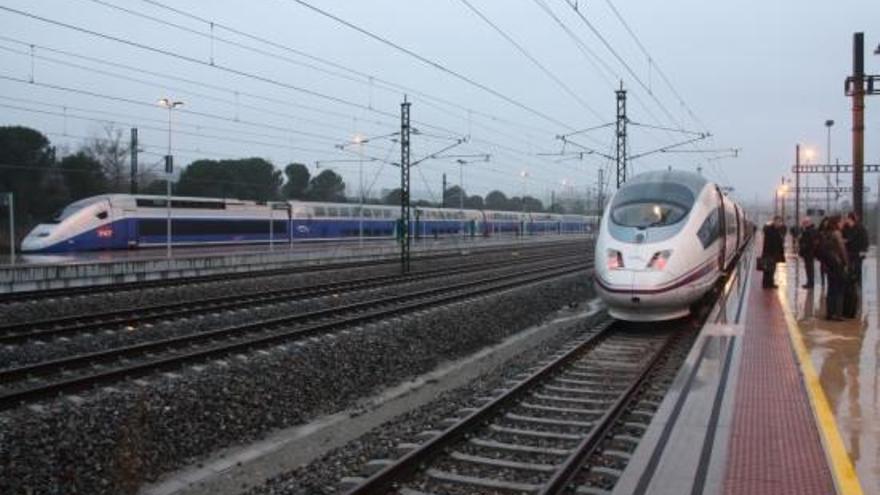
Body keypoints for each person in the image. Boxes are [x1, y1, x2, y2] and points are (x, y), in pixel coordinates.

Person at [820, 215, 848, 320]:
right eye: (840, 222)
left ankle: (830, 313)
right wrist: (846, 264)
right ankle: (838, 314)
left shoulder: (825, 233)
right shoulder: (837, 233)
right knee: (839, 289)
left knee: (831, 288)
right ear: (836, 223)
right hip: (837, 264)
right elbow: (842, 250)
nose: (842, 224)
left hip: (828, 265)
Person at [761, 216, 785, 289]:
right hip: (769, 253)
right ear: (774, 221)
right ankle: (766, 284)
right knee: (768, 269)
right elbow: (772, 242)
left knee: (772, 269)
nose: (779, 223)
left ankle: (770, 283)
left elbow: (779, 242)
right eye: (778, 221)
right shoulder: (770, 230)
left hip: (774, 253)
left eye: (780, 222)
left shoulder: (777, 230)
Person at [798, 217, 818, 289]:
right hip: (810, 252)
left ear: (808, 223)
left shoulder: (808, 231)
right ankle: (810, 282)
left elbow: (806, 242)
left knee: (809, 268)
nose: (803, 224)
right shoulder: (812, 230)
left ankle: (810, 283)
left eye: (805, 223)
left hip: (808, 252)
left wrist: (802, 247)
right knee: (809, 268)